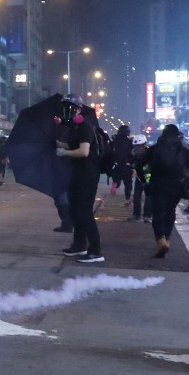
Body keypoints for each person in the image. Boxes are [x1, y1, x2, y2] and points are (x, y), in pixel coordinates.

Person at [54, 93, 103, 263]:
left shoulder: (84, 127)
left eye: (71, 108)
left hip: (87, 175)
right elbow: (70, 145)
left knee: (84, 212)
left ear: (79, 110)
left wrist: (64, 152)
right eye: (65, 108)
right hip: (76, 174)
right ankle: (79, 245)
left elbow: (84, 151)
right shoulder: (73, 128)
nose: (67, 111)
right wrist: (58, 144)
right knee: (74, 210)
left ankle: (95, 250)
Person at [136, 124, 189, 257]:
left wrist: (144, 182)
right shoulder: (183, 150)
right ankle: (167, 239)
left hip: (158, 184)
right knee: (170, 211)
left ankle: (161, 240)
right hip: (177, 186)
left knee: (158, 213)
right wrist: (186, 177)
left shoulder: (154, 149)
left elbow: (139, 165)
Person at [126, 134, 153, 223]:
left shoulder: (150, 153)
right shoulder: (132, 153)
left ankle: (147, 215)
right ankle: (136, 214)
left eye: (139, 146)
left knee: (149, 196)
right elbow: (131, 162)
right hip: (139, 177)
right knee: (137, 195)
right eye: (136, 146)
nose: (137, 148)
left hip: (149, 177)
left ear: (144, 144)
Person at [109, 125, 133, 202]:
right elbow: (131, 153)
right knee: (128, 183)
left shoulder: (114, 140)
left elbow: (110, 151)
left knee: (117, 178)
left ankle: (115, 184)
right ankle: (127, 199)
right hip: (126, 164)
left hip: (116, 164)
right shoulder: (129, 141)